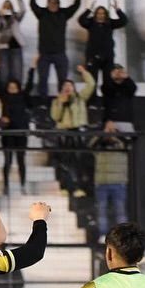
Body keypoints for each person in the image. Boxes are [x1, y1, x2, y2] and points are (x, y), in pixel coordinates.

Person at [50, 66, 97, 196]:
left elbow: (91, 84)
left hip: (78, 132)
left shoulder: (80, 98)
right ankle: (64, 187)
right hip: (63, 133)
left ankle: (78, 187)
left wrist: (84, 72)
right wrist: (61, 102)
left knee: (78, 161)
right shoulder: (56, 101)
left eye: (70, 85)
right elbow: (55, 117)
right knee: (63, 161)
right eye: (65, 86)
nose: (68, 87)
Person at [29, 0, 81, 99]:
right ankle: (43, 103)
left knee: (62, 80)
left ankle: (63, 101)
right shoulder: (42, 13)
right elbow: (33, 6)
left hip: (60, 53)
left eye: (55, 3)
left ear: (58, 4)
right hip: (44, 54)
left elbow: (75, 6)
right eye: (50, 2)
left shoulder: (63, 14)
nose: (52, 5)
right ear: (47, 4)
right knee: (43, 79)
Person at [90, 124, 129, 242]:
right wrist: (104, 133)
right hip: (103, 182)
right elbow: (92, 145)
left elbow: (127, 141)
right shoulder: (100, 147)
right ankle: (103, 235)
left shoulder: (122, 146)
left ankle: (123, 235)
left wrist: (115, 132)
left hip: (118, 182)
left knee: (120, 210)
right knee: (102, 210)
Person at [78, 1, 127, 93]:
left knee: (108, 82)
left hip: (107, 57)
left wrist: (117, 10)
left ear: (106, 14)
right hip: (92, 57)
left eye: (103, 13)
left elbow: (124, 21)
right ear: (95, 14)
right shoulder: (90, 23)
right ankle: (93, 104)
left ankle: (107, 104)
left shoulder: (110, 23)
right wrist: (89, 10)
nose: (101, 15)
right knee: (92, 82)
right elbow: (81, 20)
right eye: (99, 13)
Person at [0, 71, 34, 195]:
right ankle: (6, 185)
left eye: (14, 87)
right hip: (8, 133)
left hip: (21, 133)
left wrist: (31, 70)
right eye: (10, 87)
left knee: (21, 160)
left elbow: (29, 86)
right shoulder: (4, 97)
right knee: (7, 160)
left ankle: (23, 185)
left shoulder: (23, 96)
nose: (12, 89)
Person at [0, 0, 26, 91]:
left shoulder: (16, 17)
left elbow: (23, 10)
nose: (7, 9)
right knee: (3, 74)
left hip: (16, 47)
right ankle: (5, 95)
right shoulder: (0, 18)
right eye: (5, 7)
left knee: (17, 72)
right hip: (3, 48)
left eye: (9, 7)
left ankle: (18, 94)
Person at [101, 64, 136, 134]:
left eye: (120, 72)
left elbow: (133, 88)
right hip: (110, 122)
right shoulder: (107, 86)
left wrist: (126, 78)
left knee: (128, 141)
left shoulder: (127, 87)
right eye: (115, 71)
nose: (118, 74)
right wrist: (111, 77)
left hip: (126, 121)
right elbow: (107, 88)